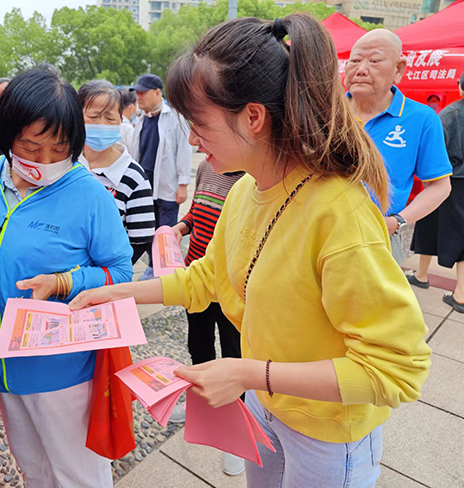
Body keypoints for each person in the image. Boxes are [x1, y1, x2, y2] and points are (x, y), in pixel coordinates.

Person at [70, 15, 431, 487]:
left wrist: (247, 373)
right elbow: (208, 278)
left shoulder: (340, 212)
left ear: (253, 117)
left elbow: (395, 369)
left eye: (200, 124)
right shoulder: (246, 190)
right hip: (266, 405)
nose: (193, 141)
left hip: (328, 432)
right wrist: (119, 295)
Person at [0, 67, 133, 488]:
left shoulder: (89, 194)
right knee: (33, 470)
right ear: (8, 137)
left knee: (78, 477)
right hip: (1, 366)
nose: (45, 161)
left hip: (65, 374)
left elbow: (121, 272)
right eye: (31, 147)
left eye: (59, 148)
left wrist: (64, 282)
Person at [345, 29, 452, 264]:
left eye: (374, 61)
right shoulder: (326, 111)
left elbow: (440, 186)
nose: (361, 69)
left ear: (398, 69)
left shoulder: (421, 119)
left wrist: (397, 222)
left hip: (377, 236)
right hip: (315, 229)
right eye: (354, 60)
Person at [169, 160, 246, 475]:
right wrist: (181, 227)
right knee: (198, 345)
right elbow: (197, 211)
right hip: (195, 278)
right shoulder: (206, 168)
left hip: (231, 287)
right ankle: (200, 404)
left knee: (235, 355)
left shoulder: (251, 179)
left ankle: (236, 430)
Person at [78, 80, 156, 263]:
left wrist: (110, 272)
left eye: (110, 118)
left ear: (120, 120)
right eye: (94, 116)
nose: (102, 124)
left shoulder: (134, 177)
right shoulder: (66, 165)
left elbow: (140, 239)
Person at [409, 73, 464, 313]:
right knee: (443, 227)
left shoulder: (449, 114)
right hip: (455, 182)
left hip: (448, 180)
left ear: (459, 86)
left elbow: (433, 149)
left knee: (431, 224)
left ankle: (459, 293)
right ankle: (423, 275)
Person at [128, 74, 192, 280]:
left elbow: (184, 150)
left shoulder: (174, 117)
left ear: (157, 92)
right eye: (137, 93)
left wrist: (183, 183)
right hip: (145, 189)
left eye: (143, 92)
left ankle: (165, 272)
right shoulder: (140, 119)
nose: (139, 97)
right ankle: (156, 267)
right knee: (147, 231)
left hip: (166, 187)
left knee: (165, 231)